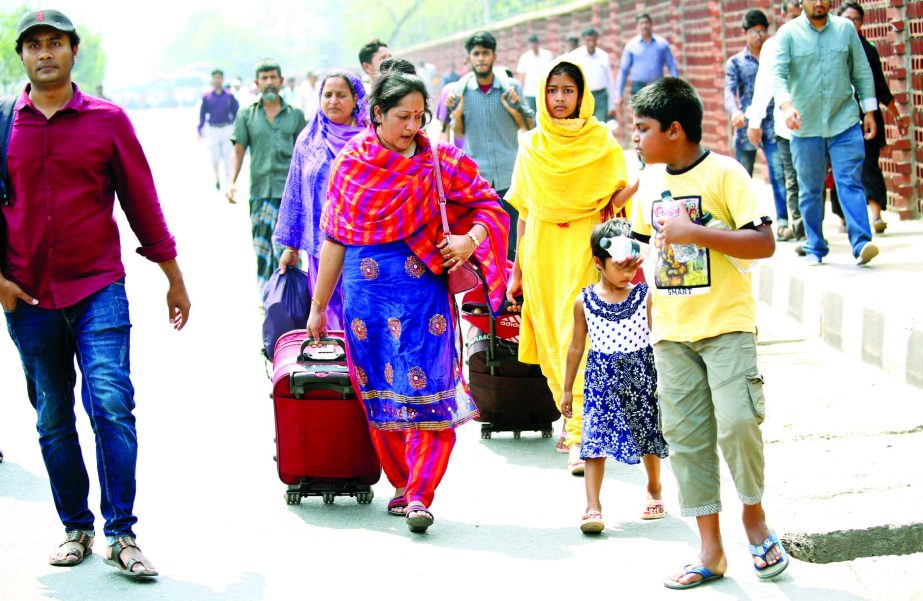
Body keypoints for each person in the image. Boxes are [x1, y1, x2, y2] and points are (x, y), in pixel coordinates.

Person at [2, 9, 191, 580]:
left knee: (110, 403)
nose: (44, 53)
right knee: (53, 416)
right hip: (28, 298)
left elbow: (142, 201)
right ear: (23, 56)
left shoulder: (107, 121)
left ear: (73, 51)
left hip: (98, 287)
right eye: (33, 45)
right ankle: (75, 527)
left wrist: (173, 276)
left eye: (54, 43)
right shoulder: (3, 123)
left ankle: (122, 532)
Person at [306, 58, 509, 533]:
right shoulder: (351, 165)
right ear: (376, 114)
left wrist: (469, 241)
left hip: (423, 297)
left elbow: (488, 204)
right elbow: (334, 239)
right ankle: (400, 482)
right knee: (380, 388)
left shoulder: (439, 160)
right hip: (364, 301)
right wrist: (319, 308)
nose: (413, 126)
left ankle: (421, 491)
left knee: (428, 386)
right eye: (403, 116)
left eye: (420, 117)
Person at [628, 77, 784, 589]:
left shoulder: (726, 174)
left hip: (726, 327)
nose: (636, 137)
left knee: (739, 423)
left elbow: (763, 243)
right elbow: (645, 246)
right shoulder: (648, 181)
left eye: (644, 128)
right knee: (688, 440)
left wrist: (697, 234)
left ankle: (754, 519)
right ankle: (711, 550)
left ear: (675, 130)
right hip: (672, 334)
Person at [505, 60, 635, 475]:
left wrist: (649, 179)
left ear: (582, 95)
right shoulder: (531, 144)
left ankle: (581, 431)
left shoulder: (602, 142)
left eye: (568, 90)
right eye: (553, 90)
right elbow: (524, 210)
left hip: (583, 244)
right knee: (551, 338)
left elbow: (616, 204)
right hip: (542, 247)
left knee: (576, 332)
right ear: (542, 94)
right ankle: (571, 418)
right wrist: (518, 268)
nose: (560, 98)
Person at [561, 219, 669, 533]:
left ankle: (654, 487)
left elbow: (659, 335)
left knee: (647, 434)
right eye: (621, 267)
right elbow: (575, 347)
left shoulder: (644, 296)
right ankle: (593, 506)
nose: (628, 274)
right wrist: (567, 390)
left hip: (640, 377)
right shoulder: (585, 302)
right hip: (600, 382)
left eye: (633, 266)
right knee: (593, 442)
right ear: (598, 263)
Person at [773, 0, 879, 266]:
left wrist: (869, 111)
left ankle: (861, 243)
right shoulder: (788, 33)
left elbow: (862, 71)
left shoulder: (845, 29)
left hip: (844, 122)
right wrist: (787, 107)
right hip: (804, 126)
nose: (818, 3)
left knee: (850, 182)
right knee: (810, 189)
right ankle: (815, 245)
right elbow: (779, 75)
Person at [275, 70, 369, 332]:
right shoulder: (309, 139)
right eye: (327, 95)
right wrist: (291, 248)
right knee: (328, 313)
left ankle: (361, 370)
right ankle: (338, 370)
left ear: (356, 100)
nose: (333, 101)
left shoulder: (371, 140)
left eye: (341, 95)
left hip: (363, 247)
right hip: (320, 249)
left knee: (362, 317)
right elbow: (295, 191)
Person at [445, 31, 534, 259]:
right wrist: (456, 111)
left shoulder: (510, 87)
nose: (481, 58)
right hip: (478, 180)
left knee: (516, 239)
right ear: (469, 58)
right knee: (485, 239)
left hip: (510, 175)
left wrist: (513, 107)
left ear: (494, 56)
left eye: (486, 53)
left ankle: (516, 290)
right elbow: (460, 133)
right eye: (476, 54)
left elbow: (529, 125)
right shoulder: (460, 92)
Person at [831, 1, 909, 234]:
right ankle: (844, 217)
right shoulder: (830, 48)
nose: (852, 23)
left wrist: (897, 116)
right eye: (848, 19)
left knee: (870, 165)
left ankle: (876, 215)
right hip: (836, 119)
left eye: (856, 19)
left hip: (868, 118)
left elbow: (879, 87)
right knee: (839, 168)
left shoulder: (869, 49)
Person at [229, 59, 307, 289]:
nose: (269, 82)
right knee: (262, 247)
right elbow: (239, 150)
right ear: (257, 83)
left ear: (281, 81)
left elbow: (304, 155)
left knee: (289, 249)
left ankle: (292, 296)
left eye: (273, 77)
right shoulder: (246, 115)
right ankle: (268, 296)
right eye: (265, 78)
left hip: (289, 194)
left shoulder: (296, 115)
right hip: (260, 192)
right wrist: (232, 182)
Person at [746, 0, 807, 242]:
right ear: (783, 16)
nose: (794, 20)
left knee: (811, 183)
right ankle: (804, 234)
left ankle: (811, 230)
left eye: (798, 15)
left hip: (816, 127)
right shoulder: (773, 46)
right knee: (792, 179)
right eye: (790, 15)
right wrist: (754, 122)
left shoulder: (817, 39)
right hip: (785, 127)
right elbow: (763, 86)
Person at [724, 9, 788, 239]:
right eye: (754, 32)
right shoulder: (736, 62)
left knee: (779, 173)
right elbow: (729, 92)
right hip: (747, 126)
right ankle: (742, 223)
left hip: (773, 124)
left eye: (763, 31)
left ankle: (783, 221)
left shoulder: (775, 56)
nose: (760, 36)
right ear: (745, 33)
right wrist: (735, 111)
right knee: (742, 177)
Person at [614, 14, 679, 118]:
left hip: (657, 86)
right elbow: (623, 71)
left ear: (651, 24)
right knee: (640, 118)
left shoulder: (662, 44)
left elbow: (672, 66)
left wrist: (677, 87)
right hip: (638, 87)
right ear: (637, 26)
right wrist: (618, 94)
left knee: (658, 118)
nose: (644, 26)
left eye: (646, 23)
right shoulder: (631, 46)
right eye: (641, 23)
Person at [197, 68, 240, 193]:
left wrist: (236, 129)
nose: (217, 80)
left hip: (226, 128)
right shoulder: (207, 97)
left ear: (222, 79)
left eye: (219, 78)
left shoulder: (229, 96)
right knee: (214, 158)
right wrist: (199, 129)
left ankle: (228, 187)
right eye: (215, 78)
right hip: (213, 130)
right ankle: (217, 178)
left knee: (227, 158)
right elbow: (202, 114)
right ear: (212, 80)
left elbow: (236, 113)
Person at [567, 28, 616, 123]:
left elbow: (609, 80)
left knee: (600, 126)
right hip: (584, 96)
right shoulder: (576, 55)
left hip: (601, 96)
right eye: (588, 40)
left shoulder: (603, 56)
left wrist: (611, 105)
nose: (591, 43)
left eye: (594, 40)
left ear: (597, 39)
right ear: (584, 40)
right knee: (583, 125)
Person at [516, 33, 553, 114]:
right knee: (533, 113)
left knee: (546, 112)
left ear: (538, 43)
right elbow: (522, 75)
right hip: (531, 91)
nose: (533, 45)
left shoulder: (547, 55)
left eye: (534, 43)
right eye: (531, 43)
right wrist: (520, 92)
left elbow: (552, 72)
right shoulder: (524, 57)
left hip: (545, 89)